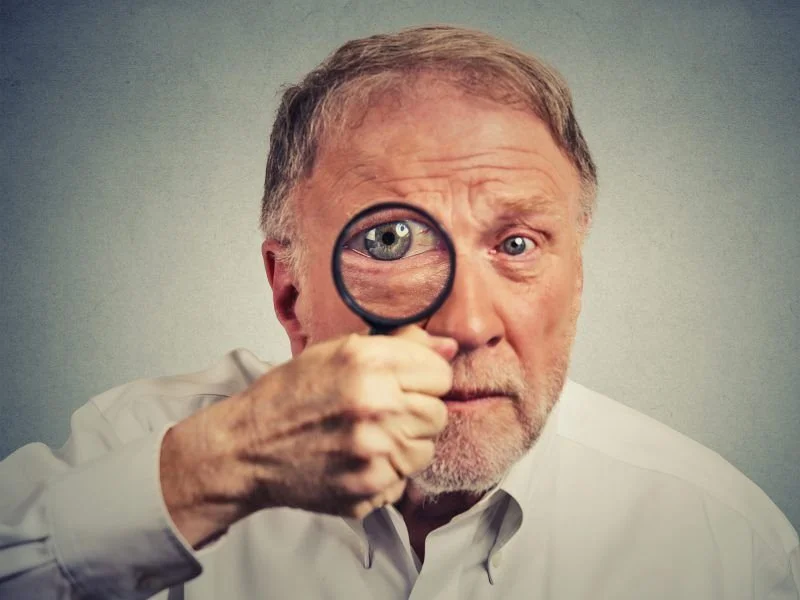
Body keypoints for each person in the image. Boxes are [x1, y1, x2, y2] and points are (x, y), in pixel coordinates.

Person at [0, 24, 797, 600]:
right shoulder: (136, 449)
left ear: (577, 282)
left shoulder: (724, 541)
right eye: (389, 239)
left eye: (518, 244)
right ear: (290, 292)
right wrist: (216, 470)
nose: (467, 323)